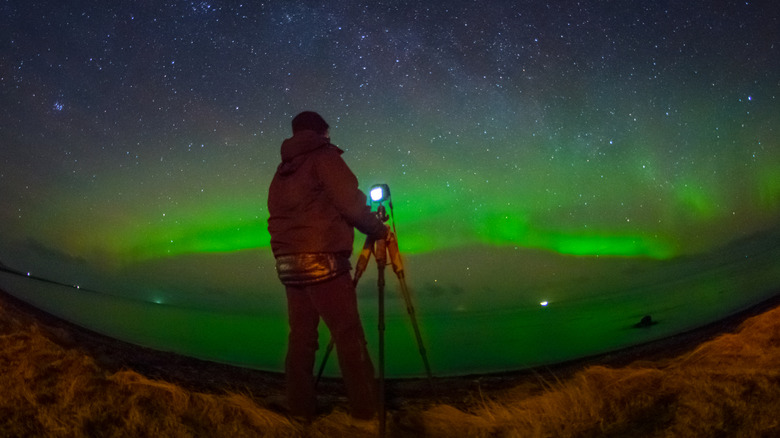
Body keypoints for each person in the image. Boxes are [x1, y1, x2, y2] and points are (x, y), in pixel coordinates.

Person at [267, 111, 387, 421]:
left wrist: (284, 256)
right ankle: (366, 412)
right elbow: (350, 204)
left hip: (289, 265)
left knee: (301, 339)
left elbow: (279, 219)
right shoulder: (324, 157)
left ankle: (300, 409)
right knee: (349, 337)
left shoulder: (282, 173)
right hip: (324, 263)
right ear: (323, 132)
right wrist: (378, 229)